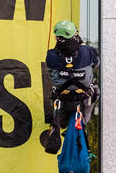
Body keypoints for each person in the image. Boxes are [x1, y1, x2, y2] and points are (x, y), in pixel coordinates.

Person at [39, 20, 99, 154]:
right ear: (75, 35)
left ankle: (63, 122)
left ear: (57, 38)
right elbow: (96, 63)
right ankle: (83, 122)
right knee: (96, 92)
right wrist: (81, 44)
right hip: (84, 96)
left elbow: (57, 59)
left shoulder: (51, 55)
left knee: (54, 97)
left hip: (63, 98)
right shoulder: (86, 52)